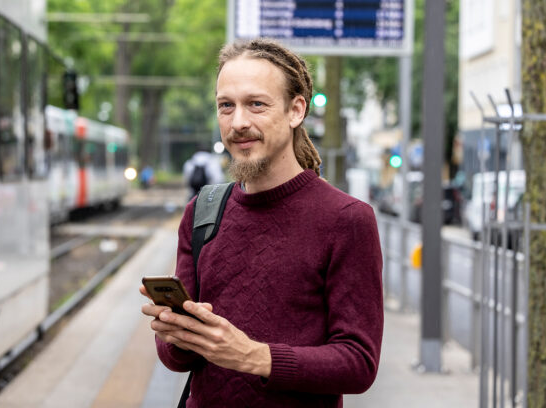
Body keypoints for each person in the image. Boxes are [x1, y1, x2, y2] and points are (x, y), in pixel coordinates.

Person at [140, 38, 383, 407]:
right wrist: (178, 335)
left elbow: (359, 363)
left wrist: (253, 356)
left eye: (256, 104)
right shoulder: (202, 211)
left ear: (295, 110)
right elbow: (177, 360)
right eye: (226, 106)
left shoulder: (347, 220)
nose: (238, 122)